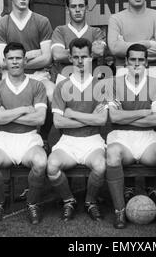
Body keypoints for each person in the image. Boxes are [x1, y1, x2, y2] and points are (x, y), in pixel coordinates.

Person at [107, 0, 156, 200]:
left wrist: (133, 47)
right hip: (124, 71)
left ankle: (152, 180)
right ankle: (129, 183)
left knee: (154, 124)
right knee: (123, 120)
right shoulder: (116, 18)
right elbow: (114, 47)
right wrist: (149, 42)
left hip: (154, 71)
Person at [105, 44, 156, 229]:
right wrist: (145, 112)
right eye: (133, 60)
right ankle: (119, 210)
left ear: (146, 62)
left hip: (147, 138)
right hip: (121, 138)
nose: (137, 63)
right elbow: (114, 117)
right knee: (112, 153)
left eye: (141, 60)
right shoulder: (113, 83)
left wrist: (125, 116)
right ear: (126, 61)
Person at [0, 42, 47, 225]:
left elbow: (39, 119)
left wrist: (6, 114)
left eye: (18, 58)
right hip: (4, 140)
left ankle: (32, 203)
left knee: (41, 162)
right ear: (4, 61)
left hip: (30, 139)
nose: (15, 62)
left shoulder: (37, 86)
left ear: (25, 60)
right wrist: (25, 109)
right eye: (11, 58)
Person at [47, 38, 108, 222]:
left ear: (91, 57)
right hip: (68, 141)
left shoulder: (100, 85)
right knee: (51, 166)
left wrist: (72, 114)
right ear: (71, 59)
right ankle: (69, 200)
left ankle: (90, 202)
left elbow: (102, 120)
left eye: (84, 56)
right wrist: (90, 119)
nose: (80, 61)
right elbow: (58, 122)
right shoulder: (62, 86)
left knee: (100, 165)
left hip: (93, 140)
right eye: (76, 57)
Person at [0, 0, 54, 146]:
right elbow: (1, 61)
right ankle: (10, 137)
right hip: (9, 76)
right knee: (6, 103)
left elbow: (48, 57)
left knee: (52, 94)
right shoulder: (2, 24)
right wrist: (34, 54)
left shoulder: (42, 21)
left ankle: (45, 137)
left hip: (38, 75)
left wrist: (17, 60)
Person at [51, 0, 107, 83]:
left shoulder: (96, 32)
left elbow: (99, 51)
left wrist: (69, 53)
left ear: (87, 8)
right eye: (73, 6)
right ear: (67, 9)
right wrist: (87, 53)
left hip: (91, 82)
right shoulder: (60, 30)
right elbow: (58, 55)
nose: (77, 10)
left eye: (81, 6)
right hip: (65, 82)